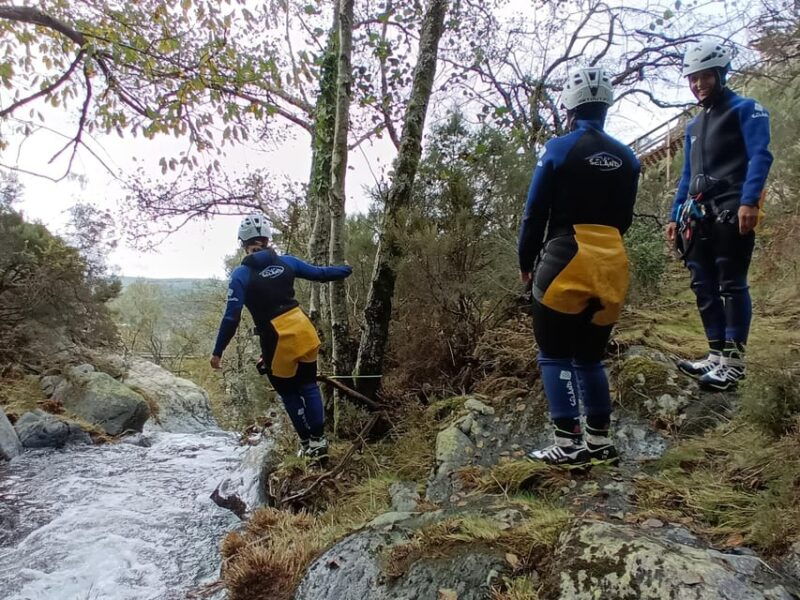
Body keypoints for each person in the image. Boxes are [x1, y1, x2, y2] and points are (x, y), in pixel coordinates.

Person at [518, 67, 640, 467]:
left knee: (554, 354)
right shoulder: (628, 157)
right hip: (613, 261)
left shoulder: (558, 149)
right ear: (606, 106)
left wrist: (526, 260)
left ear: (569, 106)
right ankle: (600, 441)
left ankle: (567, 442)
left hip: (566, 257)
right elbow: (625, 218)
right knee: (589, 357)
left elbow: (535, 212)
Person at [666, 39, 773, 391]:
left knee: (731, 283)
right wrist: (674, 215)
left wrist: (750, 201)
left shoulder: (746, 109)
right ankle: (715, 354)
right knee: (703, 285)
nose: (698, 85)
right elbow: (686, 174)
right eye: (692, 78)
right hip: (696, 214)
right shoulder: (693, 127)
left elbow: (760, 155)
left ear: (720, 74)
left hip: (731, 207)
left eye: (705, 77)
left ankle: (734, 363)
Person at [210, 213, 352, 461]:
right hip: (303, 329)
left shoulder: (242, 274)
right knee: (308, 386)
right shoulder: (287, 262)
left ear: (243, 243)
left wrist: (218, 351)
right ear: (267, 239)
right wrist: (346, 269)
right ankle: (320, 442)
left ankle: (308, 444)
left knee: (288, 392)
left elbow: (232, 316)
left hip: (277, 337)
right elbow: (321, 274)